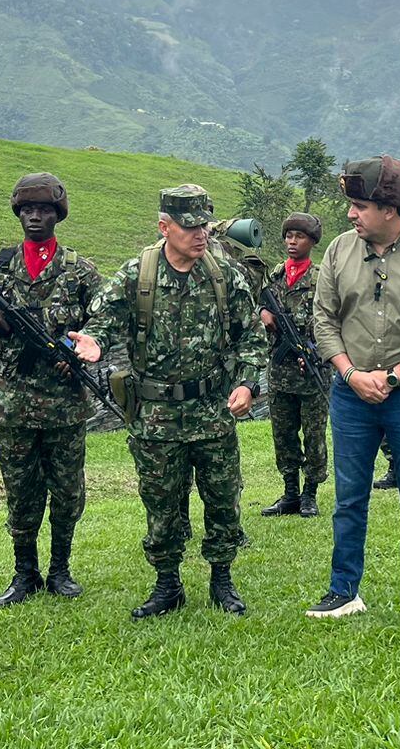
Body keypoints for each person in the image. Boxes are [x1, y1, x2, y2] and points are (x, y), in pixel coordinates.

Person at [75, 185, 266, 618]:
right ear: (165, 226)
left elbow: (251, 337)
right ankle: (167, 584)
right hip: (155, 416)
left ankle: (222, 579)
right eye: (189, 226)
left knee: (221, 498)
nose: (200, 234)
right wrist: (95, 343)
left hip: (212, 409)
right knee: (161, 503)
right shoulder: (136, 275)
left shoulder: (224, 275)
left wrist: (248, 384)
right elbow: (102, 321)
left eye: (204, 225)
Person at [304, 155, 400, 625]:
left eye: (359, 206)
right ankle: (343, 590)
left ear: (389, 209)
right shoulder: (338, 251)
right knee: (349, 497)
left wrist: (393, 377)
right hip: (350, 395)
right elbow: (324, 320)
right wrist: (352, 374)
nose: (351, 215)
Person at [0, 173, 104, 605]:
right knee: (20, 490)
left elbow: (103, 326)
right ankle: (24, 572)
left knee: (67, 490)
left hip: (65, 402)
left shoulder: (80, 271)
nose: (34, 217)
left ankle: (60, 570)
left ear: (57, 214)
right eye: (27, 210)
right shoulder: (2, 266)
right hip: (15, 400)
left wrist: (79, 349)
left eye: (44, 209)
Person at [260, 213, 328, 519]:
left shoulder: (321, 277)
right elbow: (258, 302)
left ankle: (309, 493)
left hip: (311, 371)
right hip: (280, 372)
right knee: (283, 434)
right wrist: (263, 313)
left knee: (314, 435)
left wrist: (312, 347)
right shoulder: (275, 276)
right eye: (288, 236)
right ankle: (289, 493)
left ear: (311, 242)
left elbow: (330, 318)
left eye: (299, 237)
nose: (292, 242)